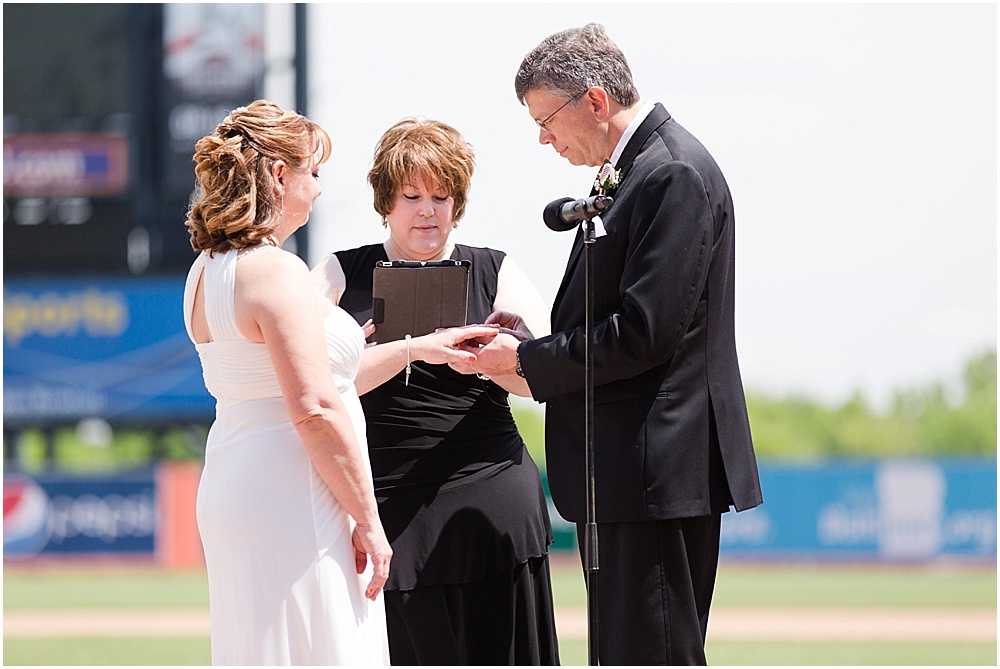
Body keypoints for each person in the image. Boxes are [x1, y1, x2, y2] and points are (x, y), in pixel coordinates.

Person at [465, 24, 764, 665]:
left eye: (546, 119)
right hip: (631, 472)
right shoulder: (636, 170)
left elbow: (644, 334)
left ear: (595, 102)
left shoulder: (670, 172)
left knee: (649, 655)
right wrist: (536, 341)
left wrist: (525, 362)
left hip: (654, 468)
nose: (544, 137)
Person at [182, 100, 491, 665]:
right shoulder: (275, 270)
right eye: (314, 173)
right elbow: (315, 408)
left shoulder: (206, 269)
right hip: (296, 492)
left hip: (237, 483)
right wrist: (370, 521)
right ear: (280, 176)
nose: (320, 189)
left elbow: (300, 385)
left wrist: (411, 349)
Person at [311, 117, 560, 666]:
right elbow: (307, 385)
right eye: (412, 195)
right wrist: (404, 350)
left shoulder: (495, 269)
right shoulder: (337, 275)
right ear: (385, 201)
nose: (429, 210)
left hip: (491, 495)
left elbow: (541, 380)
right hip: (388, 503)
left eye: (442, 196)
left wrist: (492, 363)